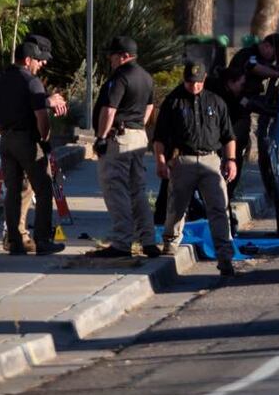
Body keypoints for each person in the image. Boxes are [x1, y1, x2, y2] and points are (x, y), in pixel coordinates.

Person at [154, 61, 239, 276]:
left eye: (199, 83)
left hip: (211, 160)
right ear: (184, 80)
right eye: (190, 83)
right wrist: (161, 161)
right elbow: (160, 138)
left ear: (205, 79)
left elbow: (228, 135)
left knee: (218, 209)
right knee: (176, 208)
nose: (194, 87)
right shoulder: (173, 102)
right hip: (183, 161)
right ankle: (170, 246)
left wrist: (231, 160)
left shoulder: (216, 102)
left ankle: (225, 257)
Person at [0, 42, 65, 256]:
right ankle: (43, 239)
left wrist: (4, 132)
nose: (40, 64)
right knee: (44, 187)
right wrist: (44, 138)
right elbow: (41, 116)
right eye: (38, 60)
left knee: (13, 191)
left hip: (7, 141)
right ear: (28, 60)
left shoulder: (0, 81)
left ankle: (15, 241)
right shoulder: (32, 82)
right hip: (28, 141)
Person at [91, 37, 158, 258]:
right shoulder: (146, 77)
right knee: (137, 190)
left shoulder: (121, 76)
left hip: (119, 138)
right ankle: (148, 240)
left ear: (123, 55)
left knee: (115, 188)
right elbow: (149, 108)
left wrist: (101, 137)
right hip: (139, 136)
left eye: (112, 55)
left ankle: (122, 241)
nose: (110, 59)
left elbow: (109, 110)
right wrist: (137, 125)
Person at [229, 33, 279, 200]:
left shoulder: (260, 58)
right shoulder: (249, 55)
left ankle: (229, 192)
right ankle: (226, 193)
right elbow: (254, 67)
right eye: (273, 54)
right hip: (234, 108)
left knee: (238, 151)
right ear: (267, 46)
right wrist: (277, 74)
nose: (272, 59)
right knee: (234, 150)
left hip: (243, 110)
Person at [205, 67, 249, 234]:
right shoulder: (221, 100)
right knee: (221, 192)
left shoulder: (229, 97)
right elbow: (228, 132)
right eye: (241, 84)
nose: (242, 88)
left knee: (222, 193)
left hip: (226, 152)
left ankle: (226, 227)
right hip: (219, 152)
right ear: (230, 83)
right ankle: (224, 228)